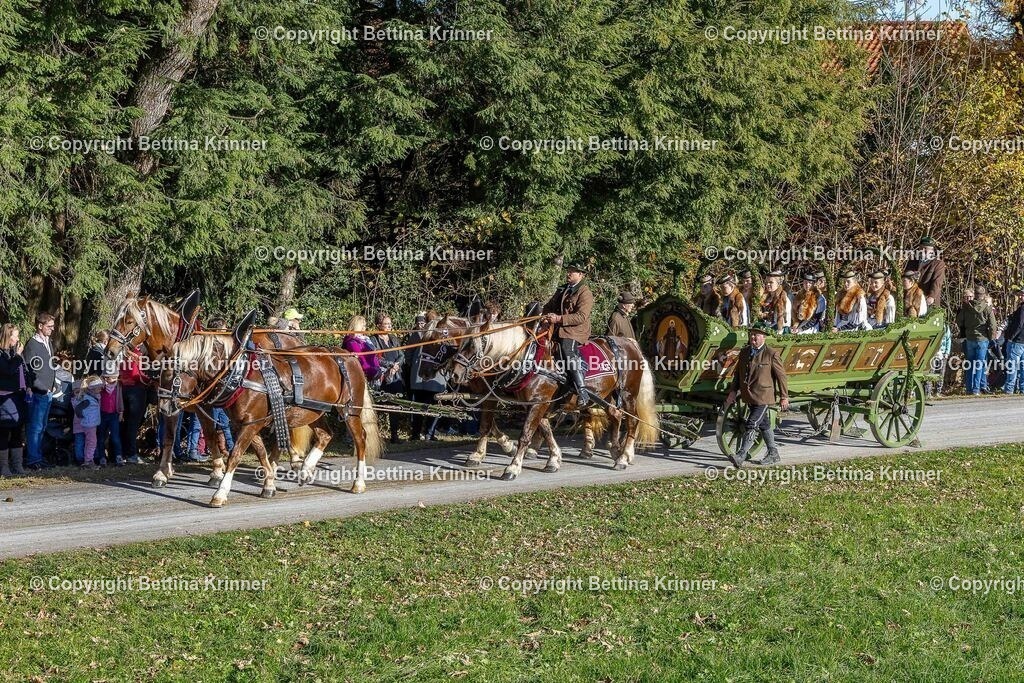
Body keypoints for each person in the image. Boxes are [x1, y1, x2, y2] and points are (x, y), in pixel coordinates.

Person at [725, 323, 789, 468]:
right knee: (764, 424)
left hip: (764, 396)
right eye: (752, 334)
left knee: (752, 423)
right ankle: (773, 453)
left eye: (757, 335)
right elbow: (738, 374)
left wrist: (784, 396)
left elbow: (782, 377)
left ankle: (741, 455)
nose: (753, 337)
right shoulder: (745, 352)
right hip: (749, 395)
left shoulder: (771, 354)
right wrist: (733, 391)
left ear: (764, 337)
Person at [542, 263, 594, 408]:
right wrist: (545, 315)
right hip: (558, 329)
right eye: (568, 271)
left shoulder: (585, 292)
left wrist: (558, 319)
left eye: (572, 271)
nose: (568, 273)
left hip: (575, 331)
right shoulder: (562, 289)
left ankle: (582, 391)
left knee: (567, 349)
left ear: (581, 275)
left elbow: (581, 316)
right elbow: (549, 306)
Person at [22, 312, 57, 470]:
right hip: (38, 392)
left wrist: (53, 382)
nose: (52, 329)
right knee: (35, 426)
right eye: (49, 326)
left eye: (53, 326)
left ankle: (38, 456)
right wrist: (42, 388)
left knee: (42, 426)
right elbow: (29, 371)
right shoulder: (32, 344)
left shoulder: (48, 342)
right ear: (40, 326)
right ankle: (32, 459)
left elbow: (49, 365)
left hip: (48, 391)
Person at [955, 284, 997, 396]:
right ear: (983, 296)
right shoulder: (988, 308)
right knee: (979, 365)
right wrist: (990, 338)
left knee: (969, 364)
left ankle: (969, 388)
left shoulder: (966, 307)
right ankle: (976, 389)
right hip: (982, 339)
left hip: (969, 338)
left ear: (975, 295)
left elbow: (959, 321)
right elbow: (993, 325)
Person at [408, 313, 445, 441]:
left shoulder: (441, 336)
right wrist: (413, 366)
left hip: (435, 377)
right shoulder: (417, 335)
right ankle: (416, 434)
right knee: (418, 407)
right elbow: (409, 354)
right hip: (420, 378)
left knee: (434, 406)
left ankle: (429, 432)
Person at [372, 313, 406, 443]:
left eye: (390, 324)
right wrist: (390, 365)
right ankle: (377, 435)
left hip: (395, 376)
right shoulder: (374, 340)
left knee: (395, 406)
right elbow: (376, 358)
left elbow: (401, 354)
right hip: (381, 376)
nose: (389, 326)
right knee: (379, 406)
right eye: (386, 324)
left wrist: (396, 366)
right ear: (379, 325)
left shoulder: (394, 339)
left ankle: (394, 435)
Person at [0, 323, 27, 476]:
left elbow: (22, 370)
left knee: (18, 431)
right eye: (15, 336)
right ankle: (4, 467)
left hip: (18, 397)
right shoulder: (1, 354)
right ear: (8, 336)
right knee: (4, 432)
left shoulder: (14, 352)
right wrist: (17, 356)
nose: (17, 339)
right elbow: (8, 371)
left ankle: (17, 465)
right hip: (4, 399)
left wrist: (27, 385)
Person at [118, 341, 148, 465]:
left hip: (123, 389)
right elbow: (138, 375)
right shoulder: (136, 356)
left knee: (124, 424)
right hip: (136, 390)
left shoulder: (124, 356)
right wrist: (150, 379)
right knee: (133, 424)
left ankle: (122, 452)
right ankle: (131, 454)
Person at [905, 235, 946, 307]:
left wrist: (931, 296)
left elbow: (937, 282)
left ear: (932, 251)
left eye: (926, 248)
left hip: (928, 300)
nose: (923, 251)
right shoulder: (912, 261)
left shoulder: (938, 263)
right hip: (911, 300)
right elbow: (906, 278)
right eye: (921, 248)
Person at [71, 376, 102, 469]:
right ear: (92, 388)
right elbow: (78, 409)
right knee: (92, 442)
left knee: (90, 442)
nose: (100, 389)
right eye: (99, 387)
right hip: (89, 423)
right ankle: (88, 460)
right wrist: (84, 417)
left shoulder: (91, 397)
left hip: (91, 423)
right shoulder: (87, 399)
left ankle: (88, 460)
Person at [96, 365, 123, 467]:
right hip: (102, 414)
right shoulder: (100, 387)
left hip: (114, 415)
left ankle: (118, 456)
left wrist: (121, 412)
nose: (110, 380)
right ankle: (102, 457)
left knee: (115, 437)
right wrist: (102, 382)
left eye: (113, 377)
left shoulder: (118, 386)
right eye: (107, 377)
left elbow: (120, 399)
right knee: (101, 437)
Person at [342, 315, 381, 383]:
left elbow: (373, 355)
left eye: (365, 325)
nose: (364, 328)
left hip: (375, 370)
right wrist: (372, 371)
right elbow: (361, 359)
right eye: (362, 326)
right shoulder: (352, 342)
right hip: (365, 374)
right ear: (356, 326)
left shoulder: (365, 339)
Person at [1002, 287, 1024, 394]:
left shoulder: (1022, 309)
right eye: (1020, 294)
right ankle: (1022, 388)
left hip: (1017, 342)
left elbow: (1019, 325)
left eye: (1022, 295)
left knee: (1012, 366)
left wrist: (1010, 336)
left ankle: (1009, 388)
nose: (1020, 296)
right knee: (1022, 367)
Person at [759, 269, 792, 334]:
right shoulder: (766, 298)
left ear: (778, 283)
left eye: (771, 282)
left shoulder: (783, 299)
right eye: (766, 282)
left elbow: (781, 320)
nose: (768, 284)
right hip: (768, 327)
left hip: (781, 330)